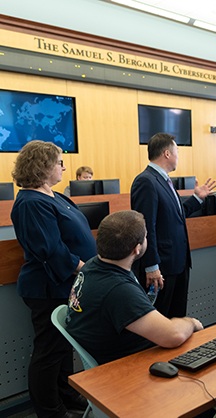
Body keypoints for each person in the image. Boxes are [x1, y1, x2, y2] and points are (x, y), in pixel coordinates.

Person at [10, 141, 97, 418]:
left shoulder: (54, 196)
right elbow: (51, 249)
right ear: (43, 166)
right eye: (59, 162)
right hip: (48, 288)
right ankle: (50, 409)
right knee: (49, 352)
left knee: (63, 349)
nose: (63, 167)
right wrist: (87, 269)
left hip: (67, 285)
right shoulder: (30, 203)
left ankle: (67, 396)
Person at [66, 210, 203, 365]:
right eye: (146, 237)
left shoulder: (92, 265)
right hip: (130, 364)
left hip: (117, 347)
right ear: (136, 249)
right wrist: (191, 322)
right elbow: (173, 336)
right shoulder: (118, 290)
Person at [130, 133, 216, 318]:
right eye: (177, 151)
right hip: (162, 267)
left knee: (177, 317)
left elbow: (175, 215)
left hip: (178, 263)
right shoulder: (146, 181)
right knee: (161, 321)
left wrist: (197, 199)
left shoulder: (164, 180)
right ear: (167, 153)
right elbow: (146, 228)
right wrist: (152, 266)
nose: (178, 156)